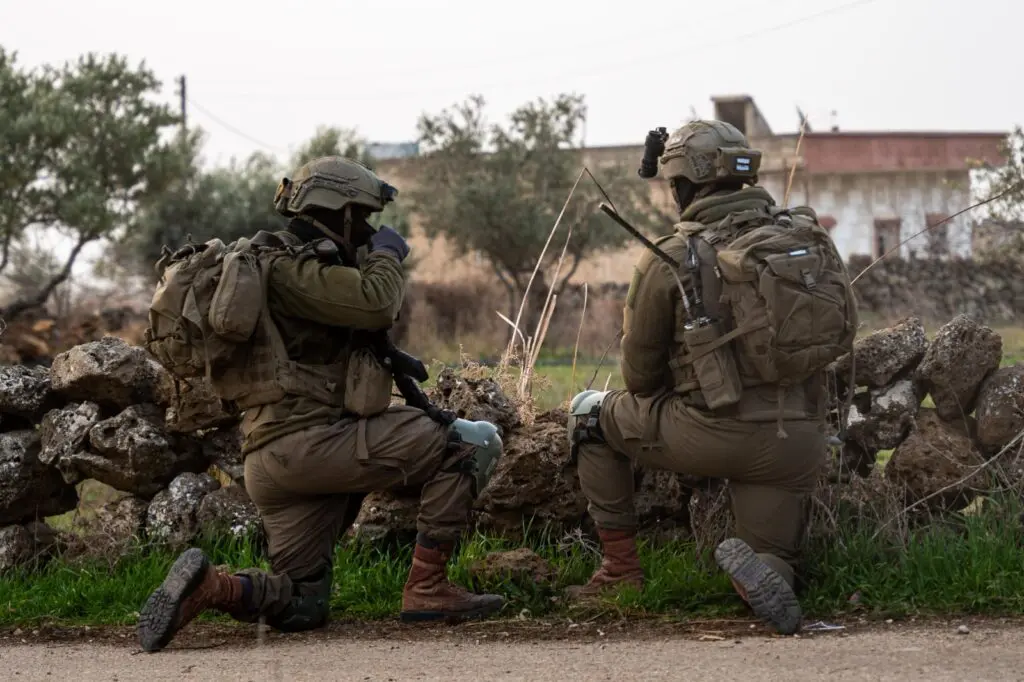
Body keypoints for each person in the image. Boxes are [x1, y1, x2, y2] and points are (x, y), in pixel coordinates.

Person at [137, 156, 506, 653]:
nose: (370, 228)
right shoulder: (292, 268)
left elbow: (316, 345)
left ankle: (214, 587)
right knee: (470, 441)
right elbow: (377, 300)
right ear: (343, 211)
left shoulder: (279, 268)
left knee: (304, 603)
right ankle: (428, 588)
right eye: (365, 217)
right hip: (316, 445)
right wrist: (387, 255)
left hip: (270, 459)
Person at [565, 120, 856, 635]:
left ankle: (619, 572)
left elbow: (639, 379)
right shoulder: (803, 237)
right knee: (771, 555)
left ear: (680, 186)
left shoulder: (672, 256)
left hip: (711, 433)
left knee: (588, 414)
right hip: (798, 439)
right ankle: (767, 574)